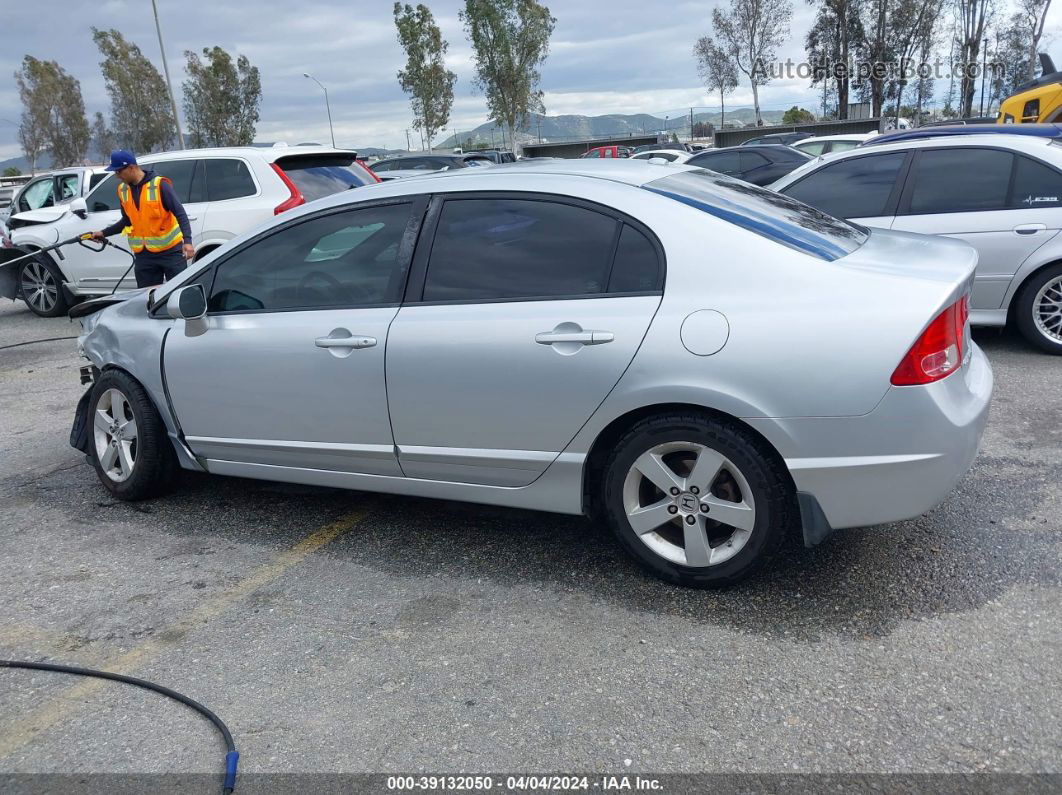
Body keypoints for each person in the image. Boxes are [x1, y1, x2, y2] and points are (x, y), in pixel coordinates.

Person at [91, 150, 195, 288]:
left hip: (171, 253)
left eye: (119, 172)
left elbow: (180, 213)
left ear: (131, 168)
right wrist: (103, 233)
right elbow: (127, 221)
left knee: (180, 292)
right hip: (144, 256)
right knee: (147, 297)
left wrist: (187, 241)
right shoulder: (123, 190)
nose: (117, 176)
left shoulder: (160, 185)